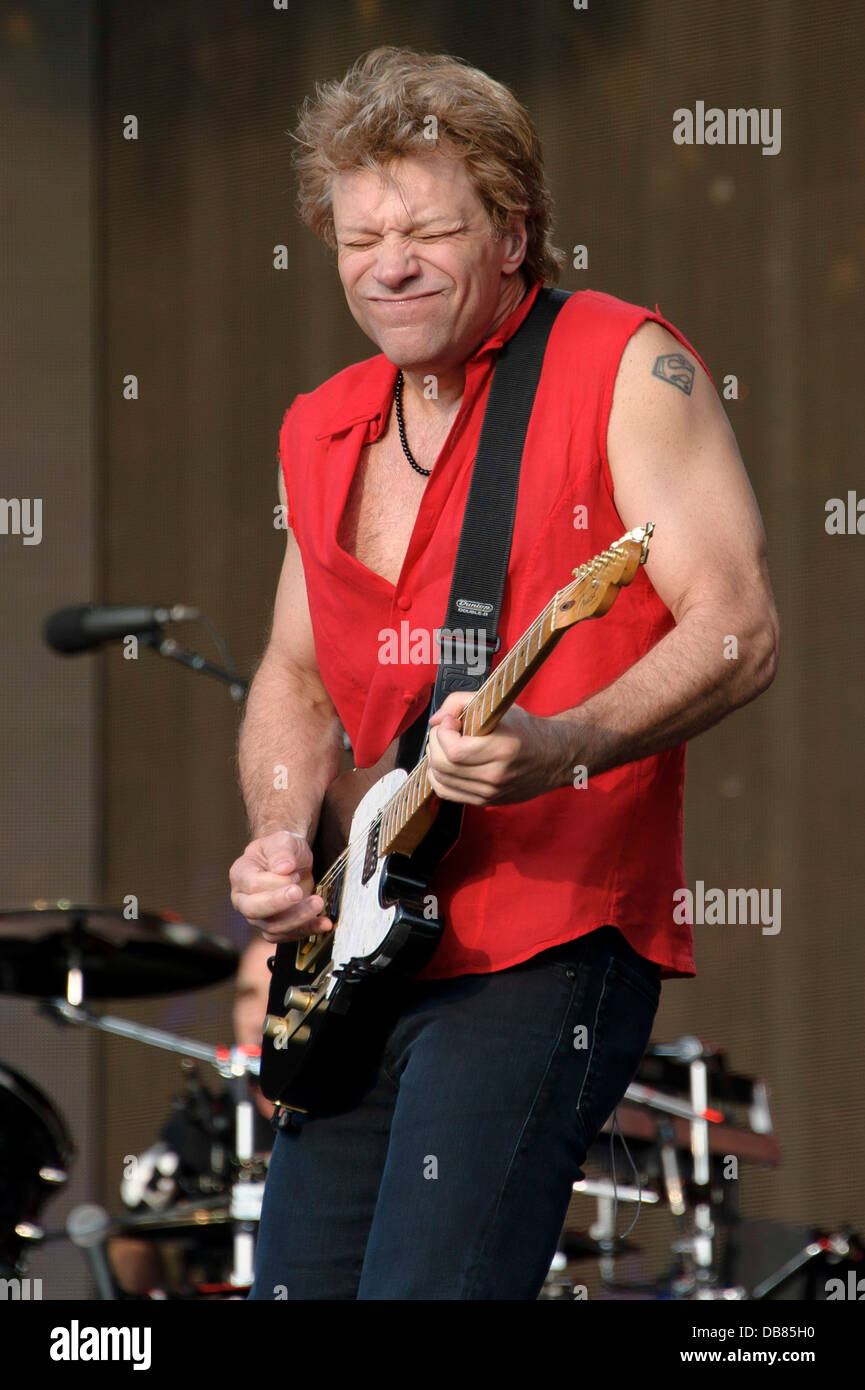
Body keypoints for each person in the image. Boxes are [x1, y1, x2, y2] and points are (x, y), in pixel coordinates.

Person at [230, 47, 779, 1300]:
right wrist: (276, 833)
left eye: (430, 228)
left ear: (516, 229)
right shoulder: (320, 423)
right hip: (361, 961)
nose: (391, 263)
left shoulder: (622, 363)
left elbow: (738, 627)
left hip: (549, 942)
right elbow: (295, 677)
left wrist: (561, 740)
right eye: (359, 235)